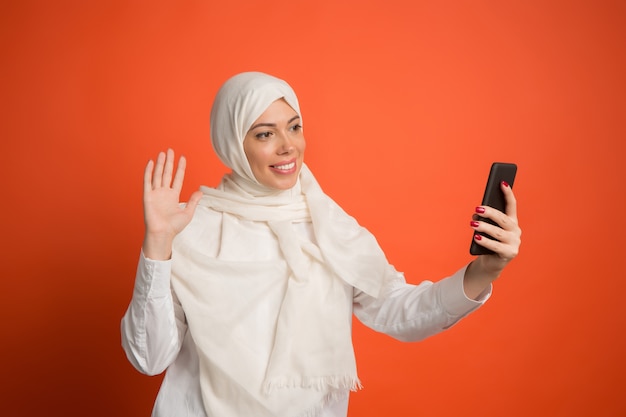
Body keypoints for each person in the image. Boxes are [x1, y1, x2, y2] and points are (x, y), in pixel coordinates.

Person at [121, 71, 521, 417]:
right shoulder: (190, 229)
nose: (287, 146)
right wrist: (157, 246)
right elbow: (149, 358)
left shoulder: (329, 226)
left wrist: (484, 271)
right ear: (232, 144)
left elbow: (400, 311)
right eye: (265, 133)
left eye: (294, 127)